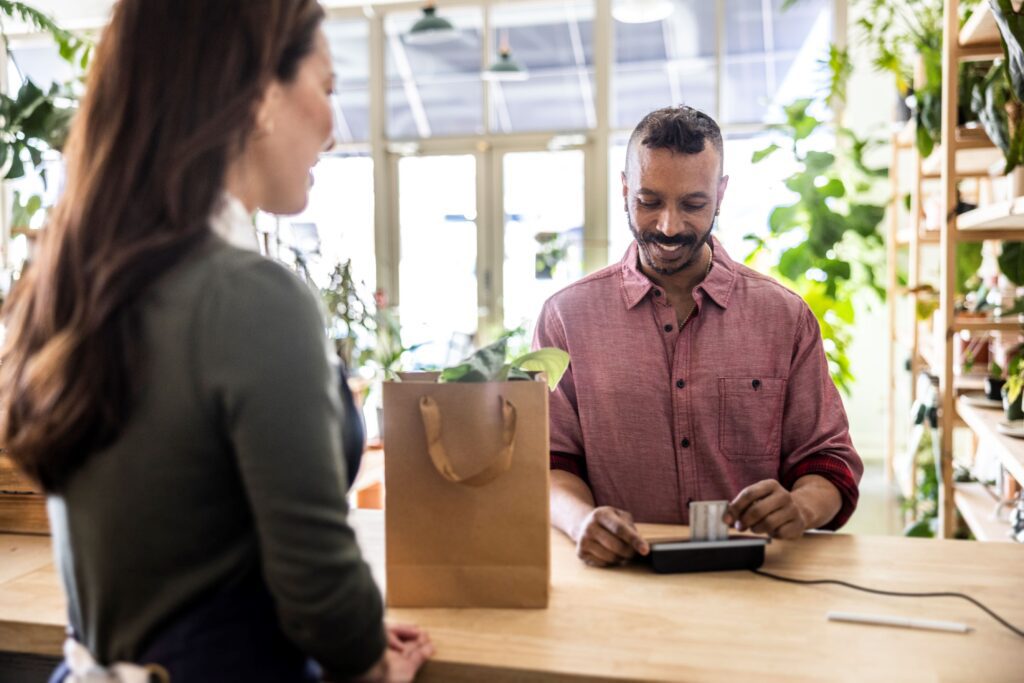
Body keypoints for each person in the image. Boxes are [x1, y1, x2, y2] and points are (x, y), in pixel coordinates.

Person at [0, 1, 431, 680]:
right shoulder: (250, 297)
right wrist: (368, 659)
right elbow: (319, 589)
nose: (332, 128)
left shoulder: (74, 283)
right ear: (260, 96)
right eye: (326, 87)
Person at [533, 105, 863, 567]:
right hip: (623, 576)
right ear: (624, 188)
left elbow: (829, 463)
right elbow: (550, 461)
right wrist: (579, 520)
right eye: (649, 202)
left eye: (692, 204)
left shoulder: (784, 318)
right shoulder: (566, 318)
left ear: (721, 193)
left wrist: (801, 507)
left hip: (755, 579)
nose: (669, 227)